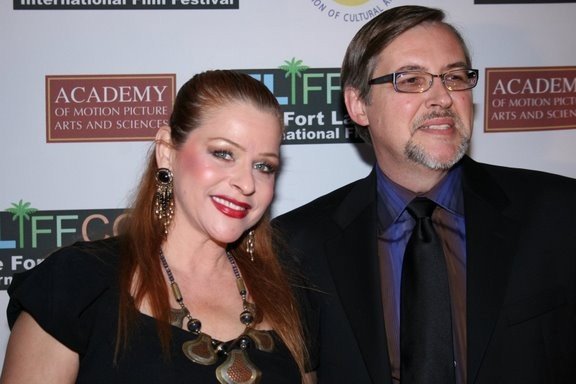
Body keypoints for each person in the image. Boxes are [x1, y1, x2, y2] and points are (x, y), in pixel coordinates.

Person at [273, 5, 576, 384]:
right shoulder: (297, 245)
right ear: (358, 104)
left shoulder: (560, 214)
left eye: (455, 77)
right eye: (412, 80)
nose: (443, 98)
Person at [1, 70, 315, 384]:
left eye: (264, 166)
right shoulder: (75, 283)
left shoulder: (287, 291)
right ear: (166, 151)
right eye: (223, 153)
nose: (247, 183)